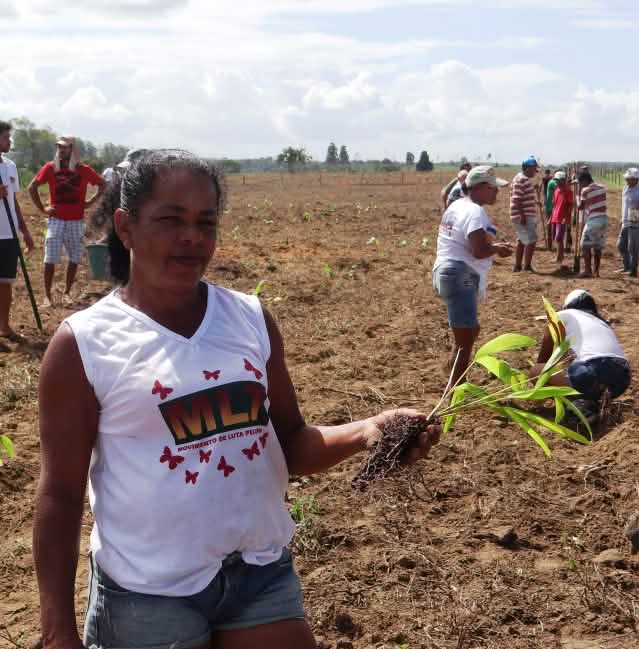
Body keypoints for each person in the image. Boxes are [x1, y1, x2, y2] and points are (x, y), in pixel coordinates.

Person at [33, 149, 441, 649]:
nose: (192, 237)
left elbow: (290, 443)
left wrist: (368, 430)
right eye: (170, 220)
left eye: (206, 222)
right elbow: (60, 494)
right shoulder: (84, 344)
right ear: (126, 227)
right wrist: (57, 634)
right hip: (148, 595)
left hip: (258, 574)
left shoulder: (248, 319)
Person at [433, 165, 514, 386]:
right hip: (461, 275)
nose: (496, 192)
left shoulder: (456, 205)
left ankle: (453, 370)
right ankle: (454, 391)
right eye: (492, 187)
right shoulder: (475, 212)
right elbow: (478, 251)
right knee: (465, 343)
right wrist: (498, 249)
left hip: (446, 270)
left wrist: (493, 245)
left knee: (470, 330)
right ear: (479, 188)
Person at [529, 289, 631, 422]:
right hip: (622, 379)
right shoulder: (602, 322)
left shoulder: (562, 315)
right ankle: (591, 402)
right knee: (581, 374)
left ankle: (579, 405)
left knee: (536, 371)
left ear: (567, 306)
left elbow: (544, 360)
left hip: (590, 371)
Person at [28, 135, 106, 306]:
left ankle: (67, 292)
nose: (61, 150)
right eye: (59, 147)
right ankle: (47, 296)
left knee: (74, 258)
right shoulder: (50, 168)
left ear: (73, 149)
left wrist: (91, 201)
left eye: (65, 147)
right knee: (50, 258)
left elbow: (103, 184)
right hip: (56, 220)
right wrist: (43, 209)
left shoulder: (84, 170)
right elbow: (32, 186)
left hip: (76, 221)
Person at [0, 120, 35, 339]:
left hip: (8, 234)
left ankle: (4, 326)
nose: (9, 141)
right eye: (5, 137)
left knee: (5, 283)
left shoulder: (9, 166)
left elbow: (14, 201)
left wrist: (25, 231)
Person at [616, 168, 639, 277]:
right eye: (627, 178)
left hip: (634, 221)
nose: (627, 180)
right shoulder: (625, 188)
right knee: (620, 246)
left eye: (629, 179)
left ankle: (633, 270)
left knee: (633, 248)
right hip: (625, 220)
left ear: (636, 179)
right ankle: (626, 266)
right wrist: (622, 219)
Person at [576, 170, 608, 277]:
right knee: (597, 246)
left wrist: (578, 194)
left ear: (584, 181)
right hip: (604, 219)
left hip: (593, 220)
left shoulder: (585, 190)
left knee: (585, 245)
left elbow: (580, 207)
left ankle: (587, 270)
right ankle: (596, 271)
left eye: (580, 183)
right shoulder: (602, 187)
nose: (580, 185)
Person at [510, 156, 539, 272]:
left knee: (522, 240)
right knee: (531, 240)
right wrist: (522, 216)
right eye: (534, 169)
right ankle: (526, 266)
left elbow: (522, 197)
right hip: (524, 216)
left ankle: (518, 266)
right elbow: (516, 199)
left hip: (523, 214)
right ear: (528, 168)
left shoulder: (520, 178)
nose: (535, 172)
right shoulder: (522, 179)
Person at [550, 171, 572, 264]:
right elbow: (554, 205)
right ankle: (560, 256)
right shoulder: (556, 191)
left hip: (562, 218)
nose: (557, 182)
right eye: (556, 180)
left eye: (559, 180)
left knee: (559, 237)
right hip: (555, 217)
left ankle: (559, 258)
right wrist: (550, 217)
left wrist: (566, 217)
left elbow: (571, 205)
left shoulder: (568, 191)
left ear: (563, 180)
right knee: (556, 237)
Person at [544, 170, 558, 252]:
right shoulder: (553, 182)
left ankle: (551, 246)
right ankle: (550, 247)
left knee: (553, 227)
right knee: (550, 227)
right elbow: (560, 187)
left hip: (553, 207)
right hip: (551, 208)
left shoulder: (552, 181)